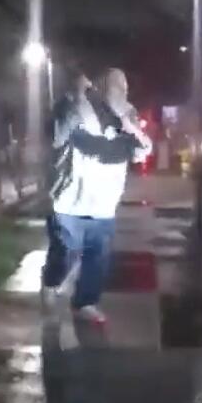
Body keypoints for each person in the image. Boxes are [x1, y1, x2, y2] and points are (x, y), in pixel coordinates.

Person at [42, 68, 151, 326]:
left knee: (97, 258)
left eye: (123, 88)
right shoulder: (71, 106)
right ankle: (51, 283)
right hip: (69, 200)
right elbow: (60, 137)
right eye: (114, 86)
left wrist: (129, 125)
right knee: (65, 252)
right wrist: (77, 99)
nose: (119, 92)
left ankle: (85, 302)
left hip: (104, 204)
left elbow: (142, 149)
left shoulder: (126, 113)